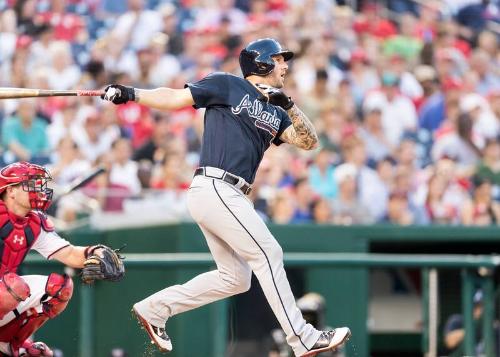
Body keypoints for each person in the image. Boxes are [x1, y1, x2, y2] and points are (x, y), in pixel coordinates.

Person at [102, 37, 351, 357]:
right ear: (261, 62)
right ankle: (301, 337)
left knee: (236, 279)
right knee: (269, 252)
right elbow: (175, 97)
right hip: (215, 186)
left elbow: (309, 141)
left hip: (231, 194)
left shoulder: (277, 107)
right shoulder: (227, 84)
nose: (285, 65)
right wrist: (131, 93)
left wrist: (287, 103)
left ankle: (155, 308)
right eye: (279, 59)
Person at [0, 161, 124, 356]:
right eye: (30, 184)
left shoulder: (34, 223)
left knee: (59, 288)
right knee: (11, 288)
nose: (38, 189)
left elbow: (70, 254)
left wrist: (96, 252)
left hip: (4, 291)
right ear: (10, 191)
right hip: (5, 290)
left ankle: (9, 346)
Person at [269, 293, 345, 357]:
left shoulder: (331, 338)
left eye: (311, 316)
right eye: (304, 315)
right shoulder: (282, 337)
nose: (308, 320)